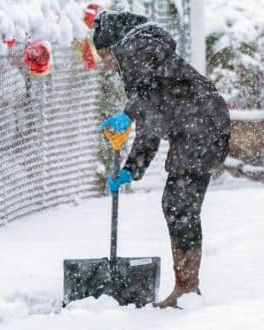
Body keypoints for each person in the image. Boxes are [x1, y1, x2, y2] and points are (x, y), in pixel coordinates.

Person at [93, 11, 230, 308]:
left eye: (104, 55)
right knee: (178, 204)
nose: (105, 64)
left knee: (180, 204)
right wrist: (131, 169)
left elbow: (151, 94)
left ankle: (187, 289)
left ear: (113, 45)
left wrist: (127, 113)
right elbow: (151, 122)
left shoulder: (138, 47)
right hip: (202, 125)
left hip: (199, 126)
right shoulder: (140, 53)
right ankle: (187, 287)